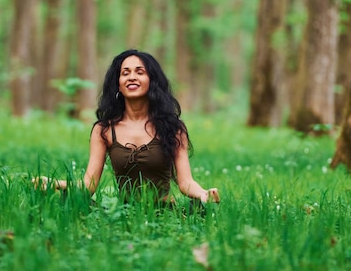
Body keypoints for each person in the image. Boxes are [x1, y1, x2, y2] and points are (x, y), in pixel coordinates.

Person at [35, 49, 220, 206]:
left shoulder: (173, 127)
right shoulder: (104, 129)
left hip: (166, 213)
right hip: (124, 214)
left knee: (200, 208)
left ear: (151, 80)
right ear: (118, 85)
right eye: (125, 73)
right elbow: (89, 185)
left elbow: (186, 182)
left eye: (140, 72)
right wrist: (54, 183)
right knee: (70, 202)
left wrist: (204, 194)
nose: (132, 77)